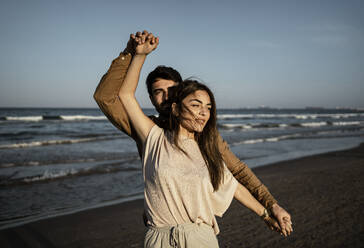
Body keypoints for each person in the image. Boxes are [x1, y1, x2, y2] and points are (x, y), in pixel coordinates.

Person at [94, 31, 293, 237]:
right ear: (151, 99)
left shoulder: (204, 133)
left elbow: (236, 173)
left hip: (198, 227)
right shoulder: (147, 130)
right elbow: (106, 97)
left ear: (182, 94)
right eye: (158, 92)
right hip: (161, 229)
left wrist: (271, 206)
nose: (167, 96)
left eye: (172, 90)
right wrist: (131, 52)